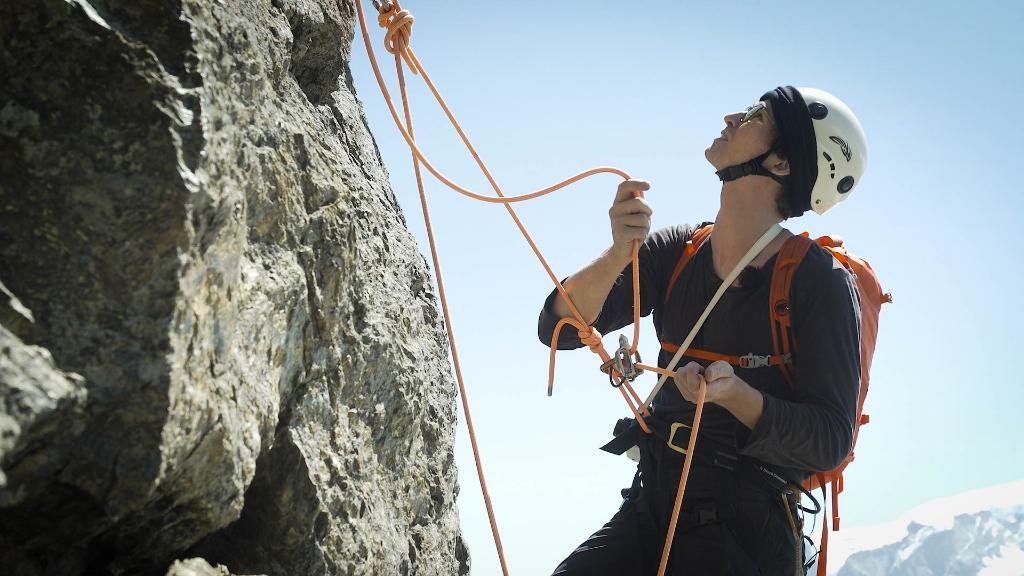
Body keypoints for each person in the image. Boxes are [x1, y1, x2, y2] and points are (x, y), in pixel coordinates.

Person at [537, 86, 867, 575]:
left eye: (757, 115)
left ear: (780, 163)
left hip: (747, 532)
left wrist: (735, 396)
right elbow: (558, 329)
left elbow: (831, 439)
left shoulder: (819, 281)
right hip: (654, 502)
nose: (734, 115)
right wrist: (616, 252)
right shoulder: (679, 251)